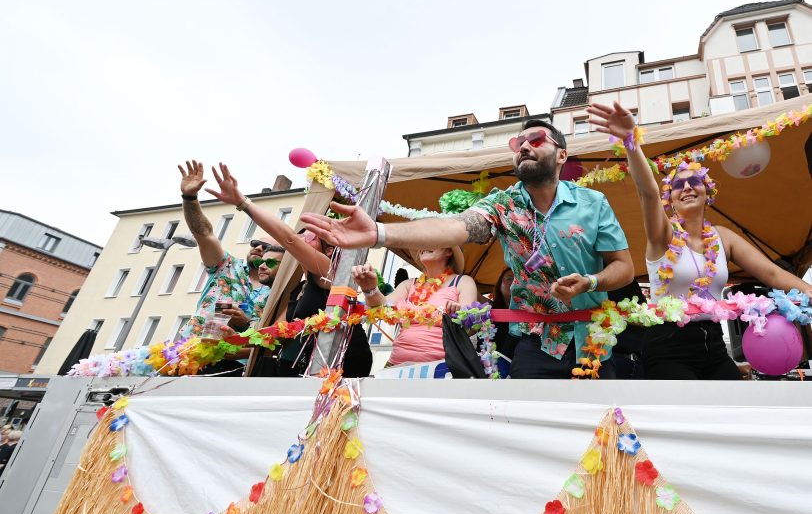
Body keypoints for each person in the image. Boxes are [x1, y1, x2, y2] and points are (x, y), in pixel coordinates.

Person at [302, 119, 634, 379]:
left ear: (562, 155)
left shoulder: (593, 203)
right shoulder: (504, 204)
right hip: (535, 343)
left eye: (536, 141)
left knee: (597, 437)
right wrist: (380, 232)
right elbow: (454, 227)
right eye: (517, 143)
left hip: (593, 342)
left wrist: (591, 282)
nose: (524, 148)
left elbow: (624, 268)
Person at [586, 101, 812, 380]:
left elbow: (772, 273)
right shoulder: (663, 234)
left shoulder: (724, 237)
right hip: (668, 344)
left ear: (707, 192)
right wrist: (631, 141)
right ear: (670, 200)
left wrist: (808, 291)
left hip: (713, 343)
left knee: (732, 408)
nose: (687, 187)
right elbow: (648, 192)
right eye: (678, 185)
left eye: (695, 181)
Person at [205, 164, 373, 378]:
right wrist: (237, 339)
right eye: (301, 234)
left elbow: (290, 238)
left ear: (329, 248)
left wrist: (243, 202)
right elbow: (277, 333)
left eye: (310, 236)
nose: (302, 238)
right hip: (314, 365)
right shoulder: (300, 288)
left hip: (346, 361)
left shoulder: (329, 272)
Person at [177, 160, 285, 340]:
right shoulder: (226, 266)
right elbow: (204, 234)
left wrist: (246, 322)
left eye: (266, 248)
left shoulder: (280, 290)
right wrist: (189, 198)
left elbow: (273, 336)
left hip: (236, 361)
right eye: (255, 243)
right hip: (190, 352)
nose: (259, 248)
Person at [352, 247, 477, 366]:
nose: (423, 246)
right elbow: (382, 307)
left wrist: (459, 313)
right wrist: (370, 289)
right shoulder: (409, 284)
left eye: (431, 241)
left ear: (449, 251)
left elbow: (472, 323)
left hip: (441, 368)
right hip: (396, 366)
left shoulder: (463, 281)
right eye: (422, 243)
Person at [491, 268, 518, 359]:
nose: (514, 282)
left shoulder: (532, 314)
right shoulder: (489, 312)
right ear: (499, 285)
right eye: (509, 278)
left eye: (518, 278)